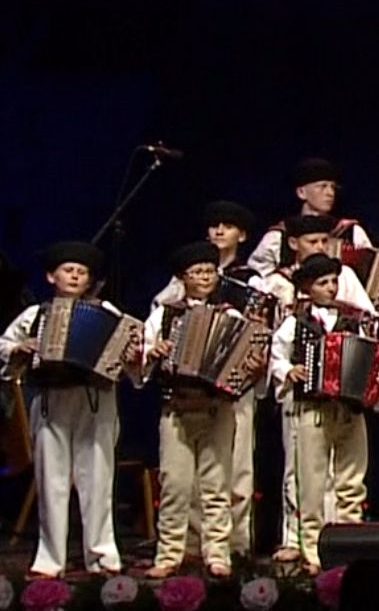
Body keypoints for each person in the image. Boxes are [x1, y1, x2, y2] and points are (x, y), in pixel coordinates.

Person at [0, 240, 140, 577]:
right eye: (68, 270)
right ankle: (50, 560)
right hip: (52, 399)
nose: (75, 276)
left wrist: (132, 354)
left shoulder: (108, 312)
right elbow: (4, 345)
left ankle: (102, 557)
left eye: (82, 272)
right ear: (52, 277)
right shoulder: (36, 314)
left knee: (98, 478)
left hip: (95, 400)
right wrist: (19, 348)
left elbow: (130, 348)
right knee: (52, 479)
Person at [144, 241, 260, 578]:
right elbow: (144, 355)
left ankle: (217, 552)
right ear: (183, 278)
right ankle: (169, 553)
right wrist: (155, 351)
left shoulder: (230, 315)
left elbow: (246, 359)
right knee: (175, 484)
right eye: (197, 272)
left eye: (210, 271)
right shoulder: (165, 314)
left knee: (217, 484)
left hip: (216, 408)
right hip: (177, 407)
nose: (205, 277)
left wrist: (250, 366)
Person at [269, 255, 379, 574]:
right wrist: (288, 370)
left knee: (351, 482)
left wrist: (378, 378)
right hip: (313, 409)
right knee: (311, 483)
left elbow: (372, 357)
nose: (331, 287)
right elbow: (276, 356)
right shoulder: (295, 323)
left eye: (334, 281)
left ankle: (350, 545)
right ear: (307, 288)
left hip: (348, 410)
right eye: (323, 283)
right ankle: (313, 549)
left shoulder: (353, 321)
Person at [246, 159, 378, 278]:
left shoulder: (351, 232)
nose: (330, 193)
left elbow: (374, 271)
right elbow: (256, 275)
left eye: (332, 187)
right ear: (301, 192)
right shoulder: (280, 235)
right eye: (322, 186)